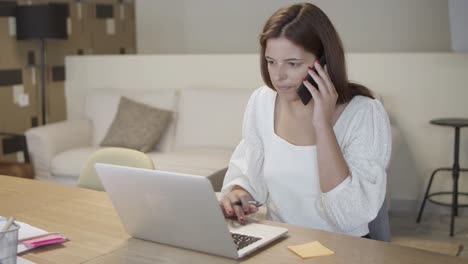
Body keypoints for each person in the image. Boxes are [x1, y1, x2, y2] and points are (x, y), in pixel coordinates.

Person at [220, 2, 391, 238]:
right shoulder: (262, 101)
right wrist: (239, 192)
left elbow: (349, 215)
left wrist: (323, 125)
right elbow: (250, 174)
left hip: (344, 247)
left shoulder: (364, 113)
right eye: (271, 62)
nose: (279, 76)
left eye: (292, 64)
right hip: (281, 241)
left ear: (323, 61)